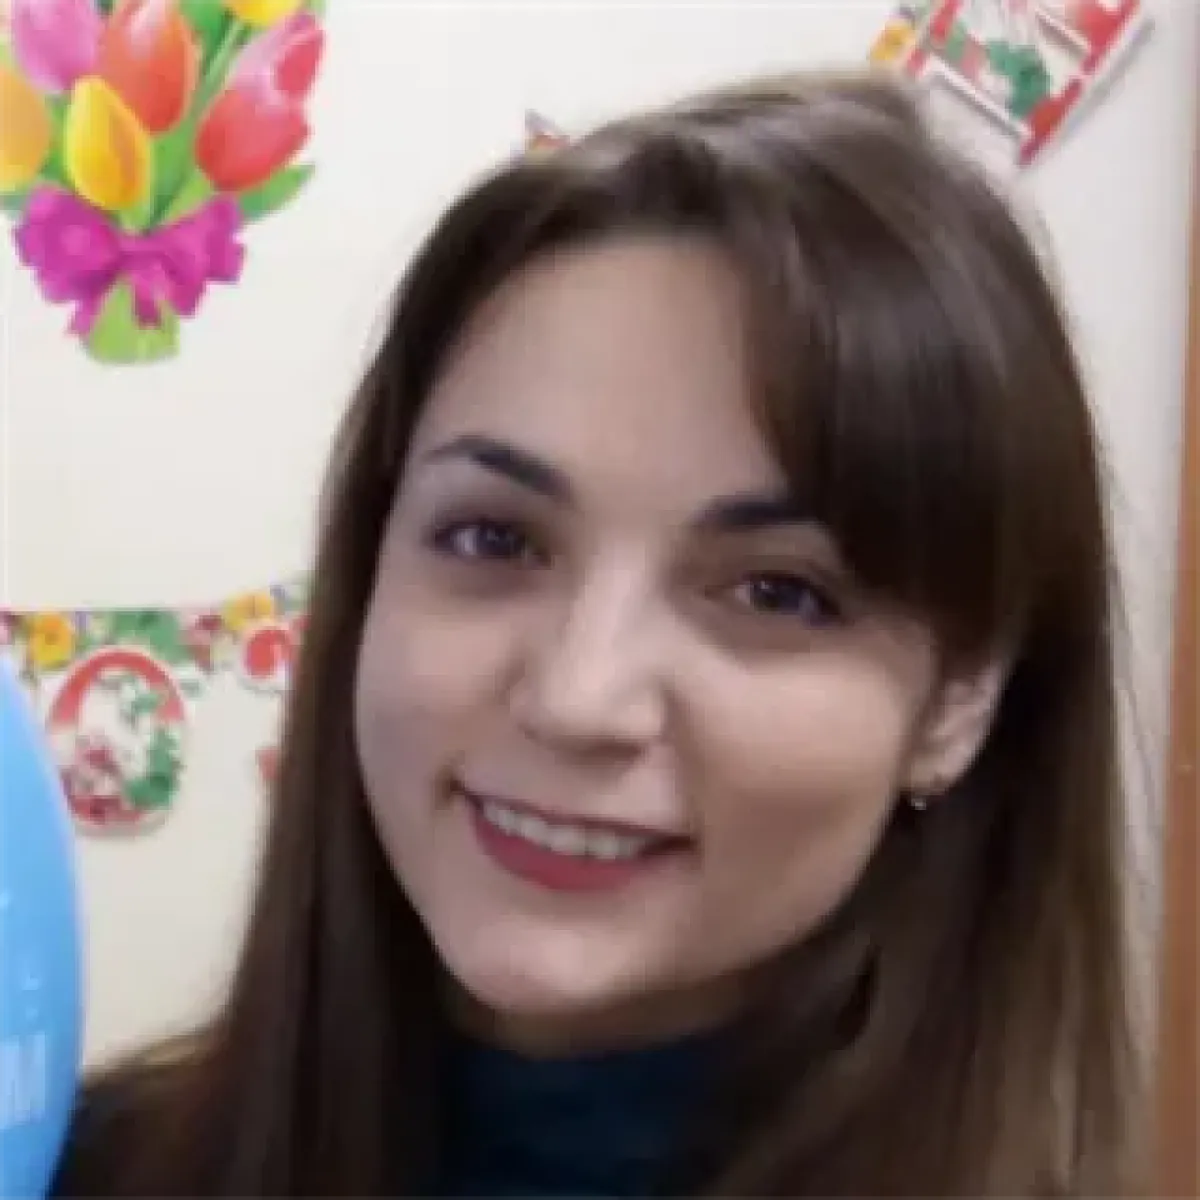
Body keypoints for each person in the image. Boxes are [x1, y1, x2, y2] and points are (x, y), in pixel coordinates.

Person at [51, 69, 1143, 1200]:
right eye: (494, 538)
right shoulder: (85, 1168)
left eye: (777, 593)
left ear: (961, 697)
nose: (579, 698)